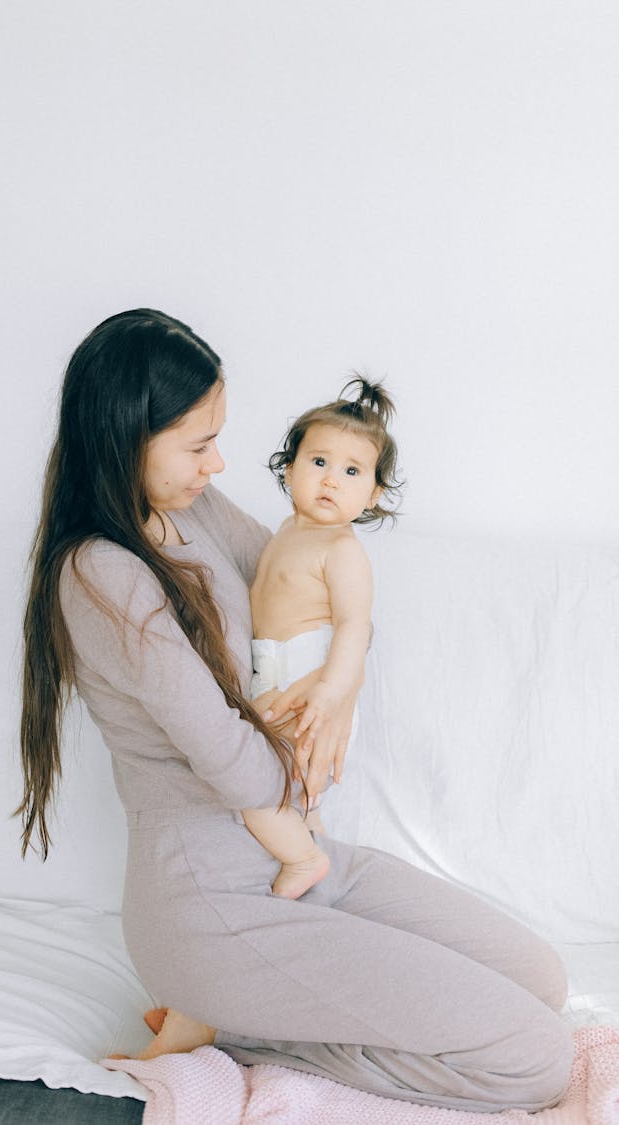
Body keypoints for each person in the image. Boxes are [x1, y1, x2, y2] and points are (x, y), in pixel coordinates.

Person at [18, 309, 573, 1112]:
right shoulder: (102, 574)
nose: (219, 463)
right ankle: (244, 1026)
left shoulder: (195, 509)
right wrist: (303, 707)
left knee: (542, 980)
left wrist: (336, 685)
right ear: (125, 435)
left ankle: (239, 1011)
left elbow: (319, 582)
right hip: (214, 900)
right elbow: (233, 762)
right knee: (536, 1062)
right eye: (198, 442)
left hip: (300, 855)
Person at [242, 379, 399, 899]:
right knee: (290, 790)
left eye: (352, 471)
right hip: (275, 670)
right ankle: (317, 847)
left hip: (310, 679)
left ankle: (305, 859)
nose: (332, 480)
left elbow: (355, 623)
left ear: (373, 494)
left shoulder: (342, 550)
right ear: (289, 469)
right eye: (319, 463)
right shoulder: (287, 531)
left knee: (249, 784)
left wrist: (333, 689)